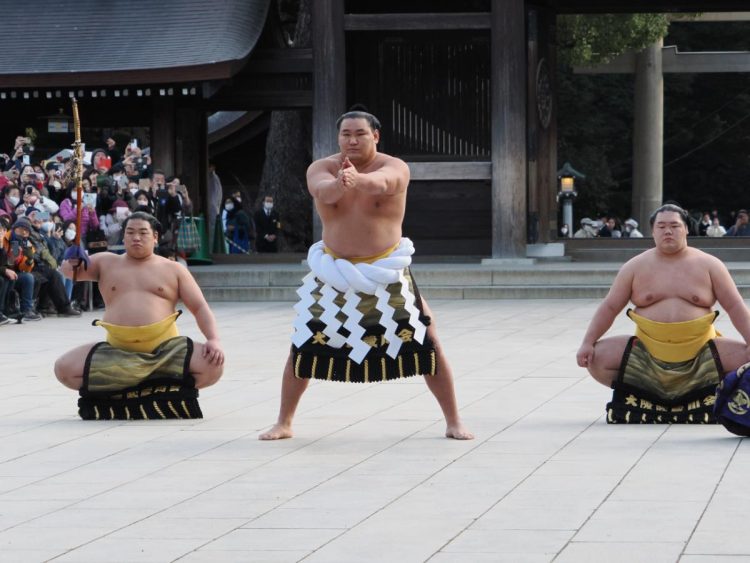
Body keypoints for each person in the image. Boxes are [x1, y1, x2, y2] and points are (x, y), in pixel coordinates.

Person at [259, 110, 473, 441]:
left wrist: (358, 180)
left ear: (376, 136)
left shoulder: (394, 166)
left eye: (360, 133)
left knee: (427, 340)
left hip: (385, 270)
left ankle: (453, 420)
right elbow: (323, 192)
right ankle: (284, 421)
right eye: (346, 134)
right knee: (302, 343)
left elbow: (384, 184)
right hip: (333, 272)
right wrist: (339, 184)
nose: (352, 140)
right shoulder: (322, 168)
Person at [576, 203, 750, 423]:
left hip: (701, 351)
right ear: (653, 231)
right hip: (647, 352)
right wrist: (588, 342)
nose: (668, 231)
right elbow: (610, 307)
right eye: (662, 226)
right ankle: (650, 395)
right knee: (596, 359)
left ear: (686, 229)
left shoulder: (710, 265)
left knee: (747, 359)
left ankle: (704, 393)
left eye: (675, 226)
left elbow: (735, 306)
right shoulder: (635, 267)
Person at [54, 211, 224, 419]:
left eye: (143, 233)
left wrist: (213, 339)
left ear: (155, 237)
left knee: (213, 366)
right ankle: (145, 386)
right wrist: (71, 260)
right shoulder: (105, 262)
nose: (136, 237)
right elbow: (69, 272)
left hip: (165, 352)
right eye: (130, 232)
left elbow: (200, 307)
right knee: (64, 369)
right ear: (123, 237)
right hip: (117, 350)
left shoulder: (174, 269)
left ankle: (141, 386)